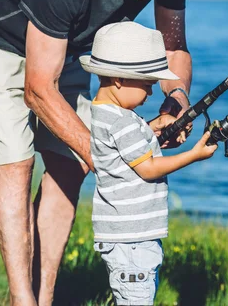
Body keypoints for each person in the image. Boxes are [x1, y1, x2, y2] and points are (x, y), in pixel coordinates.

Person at [0, 0, 221, 304]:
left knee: (70, 163)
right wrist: (108, 153)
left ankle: (44, 296)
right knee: (17, 164)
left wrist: (176, 100)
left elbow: (173, 49)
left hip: (64, 43)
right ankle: (23, 302)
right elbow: (38, 89)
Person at [81, 21, 217, 305]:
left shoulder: (105, 113)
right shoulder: (122, 121)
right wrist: (195, 154)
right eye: (147, 85)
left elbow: (129, 145)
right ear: (119, 79)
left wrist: (151, 130)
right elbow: (149, 168)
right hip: (133, 240)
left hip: (124, 236)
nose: (152, 93)